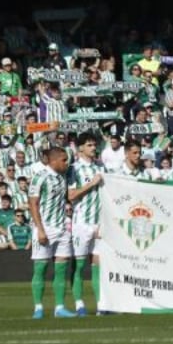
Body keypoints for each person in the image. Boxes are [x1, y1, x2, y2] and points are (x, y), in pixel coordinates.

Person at [29, 147, 73, 320]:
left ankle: (60, 307)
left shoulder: (63, 177)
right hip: (45, 227)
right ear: (53, 161)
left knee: (61, 269)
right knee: (40, 268)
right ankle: (38, 308)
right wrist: (39, 229)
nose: (66, 163)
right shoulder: (40, 177)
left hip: (62, 227)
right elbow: (33, 203)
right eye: (63, 159)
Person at [68, 133, 106, 316]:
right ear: (80, 148)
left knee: (98, 264)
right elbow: (71, 195)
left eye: (94, 145)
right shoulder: (74, 169)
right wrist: (91, 184)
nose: (93, 148)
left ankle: (101, 305)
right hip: (81, 223)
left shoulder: (101, 167)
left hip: (98, 223)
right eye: (89, 145)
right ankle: (79, 303)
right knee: (80, 265)